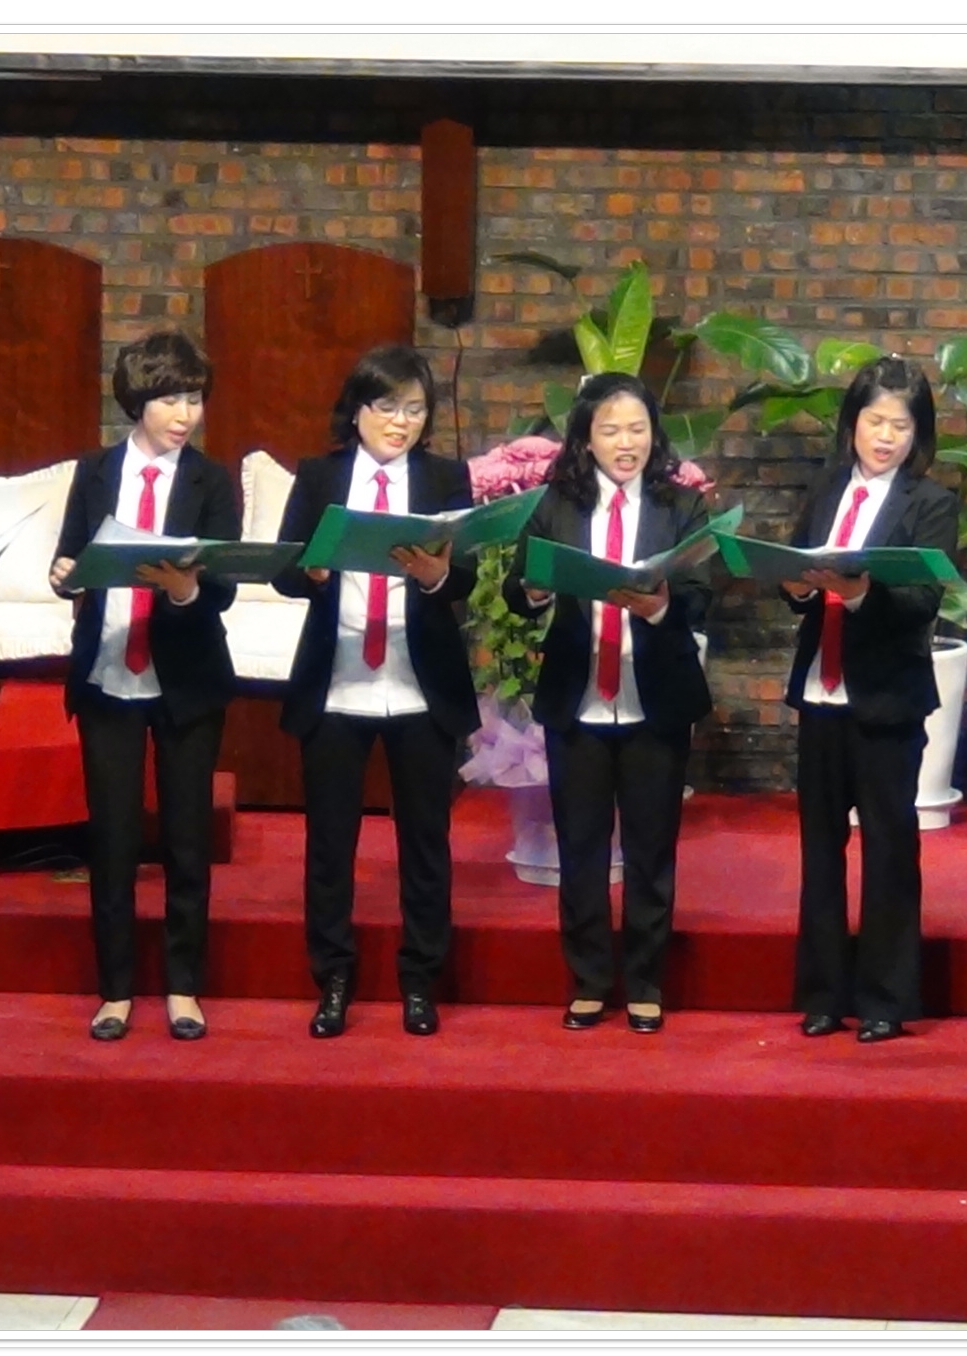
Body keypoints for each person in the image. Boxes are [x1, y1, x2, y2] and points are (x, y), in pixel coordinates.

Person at [272, 344, 479, 1039]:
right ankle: (332, 979)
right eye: (387, 407)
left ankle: (420, 981)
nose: (401, 422)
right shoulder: (320, 476)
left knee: (426, 843)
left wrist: (435, 575)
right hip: (337, 686)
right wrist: (313, 572)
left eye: (415, 410)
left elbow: (465, 577)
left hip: (420, 687)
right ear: (357, 411)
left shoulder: (445, 478)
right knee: (331, 846)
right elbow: (284, 569)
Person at [503, 373, 713, 1035]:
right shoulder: (556, 505)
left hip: (656, 700)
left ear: (654, 434)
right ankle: (590, 980)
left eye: (637, 429)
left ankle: (646, 982)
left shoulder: (682, 505)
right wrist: (536, 590)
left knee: (652, 849)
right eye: (611, 430)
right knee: (582, 848)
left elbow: (703, 592)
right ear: (586, 439)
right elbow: (518, 589)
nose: (626, 444)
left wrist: (662, 606)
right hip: (579, 700)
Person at [48, 331, 240, 1043]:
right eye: (170, 400)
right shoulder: (95, 471)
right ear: (137, 401)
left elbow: (222, 587)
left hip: (186, 678)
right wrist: (63, 576)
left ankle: (184, 986)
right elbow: (70, 557)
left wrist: (186, 589)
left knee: (187, 839)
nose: (185, 414)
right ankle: (117, 991)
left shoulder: (212, 480)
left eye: (194, 399)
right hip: (108, 673)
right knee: (114, 840)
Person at [779, 358, 958, 1043]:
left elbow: (922, 601)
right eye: (875, 421)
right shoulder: (827, 487)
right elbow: (796, 569)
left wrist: (859, 594)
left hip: (886, 698)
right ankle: (824, 993)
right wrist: (796, 587)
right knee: (820, 849)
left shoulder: (930, 502)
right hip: (820, 692)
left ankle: (886, 997)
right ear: (851, 423)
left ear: (919, 434)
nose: (885, 437)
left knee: (888, 847)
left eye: (900, 426)